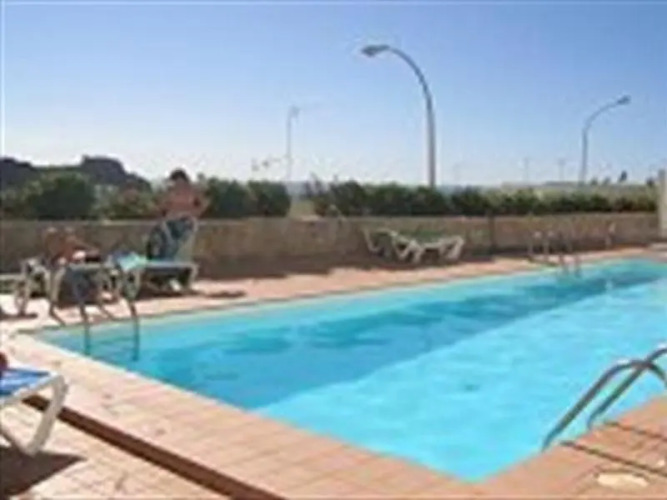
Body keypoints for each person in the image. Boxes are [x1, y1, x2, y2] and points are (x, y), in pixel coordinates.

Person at [147, 169, 208, 259]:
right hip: (170, 221)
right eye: (176, 182)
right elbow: (161, 208)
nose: (179, 184)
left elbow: (203, 204)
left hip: (186, 221)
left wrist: (193, 213)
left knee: (180, 237)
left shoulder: (192, 191)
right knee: (165, 238)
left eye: (181, 182)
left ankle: (173, 257)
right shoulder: (170, 192)